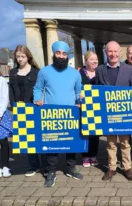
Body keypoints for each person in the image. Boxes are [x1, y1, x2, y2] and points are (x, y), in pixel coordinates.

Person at [33, 41, 83, 187]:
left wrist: (80, 100)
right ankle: (51, 171)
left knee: (71, 143)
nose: (61, 56)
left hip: (71, 114)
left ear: (68, 56)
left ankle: (71, 168)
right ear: (54, 54)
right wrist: (37, 99)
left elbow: (78, 91)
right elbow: (37, 88)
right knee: (52, 144)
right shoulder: (44, 71)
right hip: (51, 114)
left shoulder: (75, 73)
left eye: (64, 53)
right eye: (58, 53)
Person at [96, 41, 132, 181]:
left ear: (120, 52)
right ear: (106, 52)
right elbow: (96, 91)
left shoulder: (128, 69)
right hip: (108, 115)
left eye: (115, 51)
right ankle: (112, 168)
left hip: (124, 114)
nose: (113, 54)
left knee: (125, 143)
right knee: (111, 143)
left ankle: (127, 168)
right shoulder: (100, 70)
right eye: (110, 51)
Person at [9, 45, 42, 177]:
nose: (20, 59)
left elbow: (41, 89)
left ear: (28, 56)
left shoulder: (37, 72)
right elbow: (11, 91)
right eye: (18, 57)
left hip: (34, 107)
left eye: (22, 56)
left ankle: (44, 164)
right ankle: (33, 165)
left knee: (39, 136)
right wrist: (13, 106)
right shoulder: (12, 72)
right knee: (27, 138)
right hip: (20, 108)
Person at [79, 50, 100, 168]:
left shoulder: (100, 72)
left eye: (96, 59)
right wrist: (78, 96)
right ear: (86, 61)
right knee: (85, 132)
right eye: (91, 59)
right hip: (83, 107)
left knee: (95, 133)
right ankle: (85, 156)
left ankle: (94, 155)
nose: (94, 61)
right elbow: (75, 88)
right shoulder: (79, 73)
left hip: (96, 107)